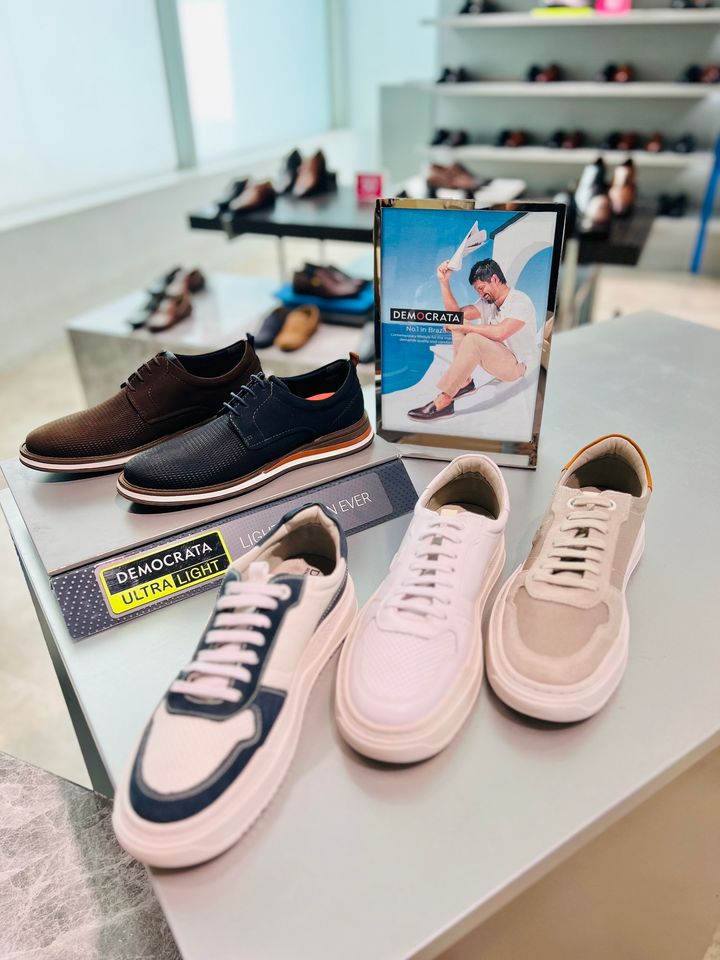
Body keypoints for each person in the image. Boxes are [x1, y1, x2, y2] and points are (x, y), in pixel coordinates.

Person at [408, 258, 537, 421]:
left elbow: (501, 333)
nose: (480, 294)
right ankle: (464, 383)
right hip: (497, 358)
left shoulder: (520, 301)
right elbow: (455, 316)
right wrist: (444, 282)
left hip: (516, 367)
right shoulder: (488, 302)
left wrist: (465, 327)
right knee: (457, 324)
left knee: (470, 334)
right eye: (477, 291)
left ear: (495, 279)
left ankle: (444, 402)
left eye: (481, 288)